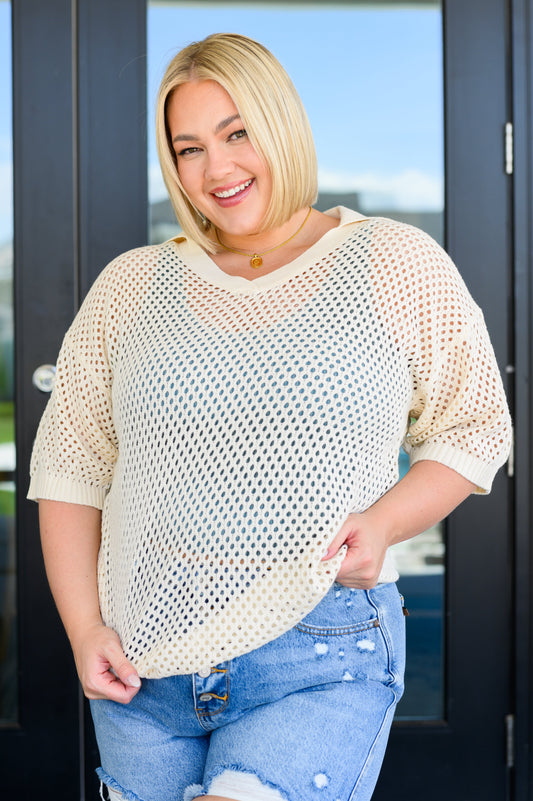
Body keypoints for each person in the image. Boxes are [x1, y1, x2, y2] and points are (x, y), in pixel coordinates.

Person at [28, 32, 512, 801]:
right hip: (143, 666)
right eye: (188, 148)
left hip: (318, 648)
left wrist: (384, 522)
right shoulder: (129, 286)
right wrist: (86, 628)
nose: (214, 168)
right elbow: (70, 467)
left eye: (236, 133)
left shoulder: (392, 259)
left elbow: (473, 424)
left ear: (280, 125)